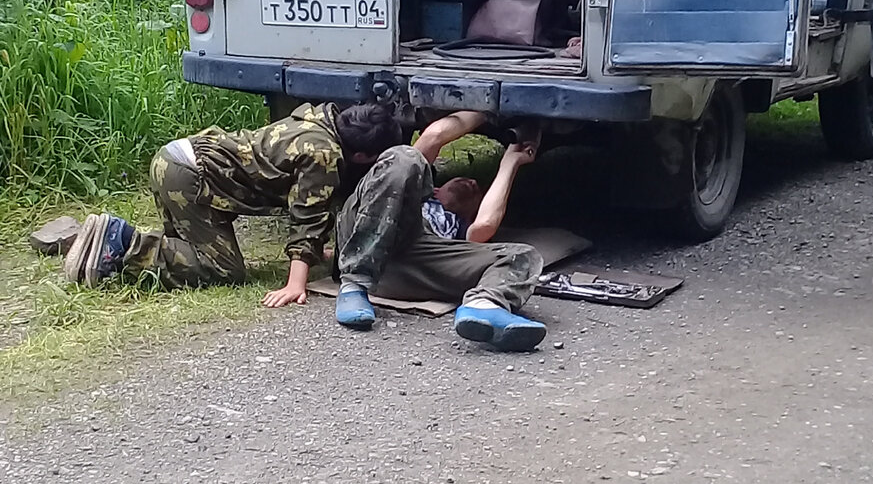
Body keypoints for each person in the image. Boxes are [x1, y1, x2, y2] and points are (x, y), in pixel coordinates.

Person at [64, 102, 402, 302]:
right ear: (361, 155)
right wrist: (295, 284)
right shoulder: (324, 154)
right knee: (222, 269)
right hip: (192, 176)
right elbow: (308, 217)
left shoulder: (316, 118)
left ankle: (96, 242)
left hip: (178, 156)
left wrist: (323, 253)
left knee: (186, 247)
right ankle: (121, 243)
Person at [331, 110, 548, 352]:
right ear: (434, 189)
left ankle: (484, 306)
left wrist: (511, 162)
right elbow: (435, 134)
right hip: (362, 237)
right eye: (464, 179)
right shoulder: (407, 177)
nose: (472, 184)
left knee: (524, 256)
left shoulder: (458, 227)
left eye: (476, 194)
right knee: (404, 155)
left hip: (411, 265)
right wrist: (488, 110)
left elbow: (484, 226)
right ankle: (354, 284)